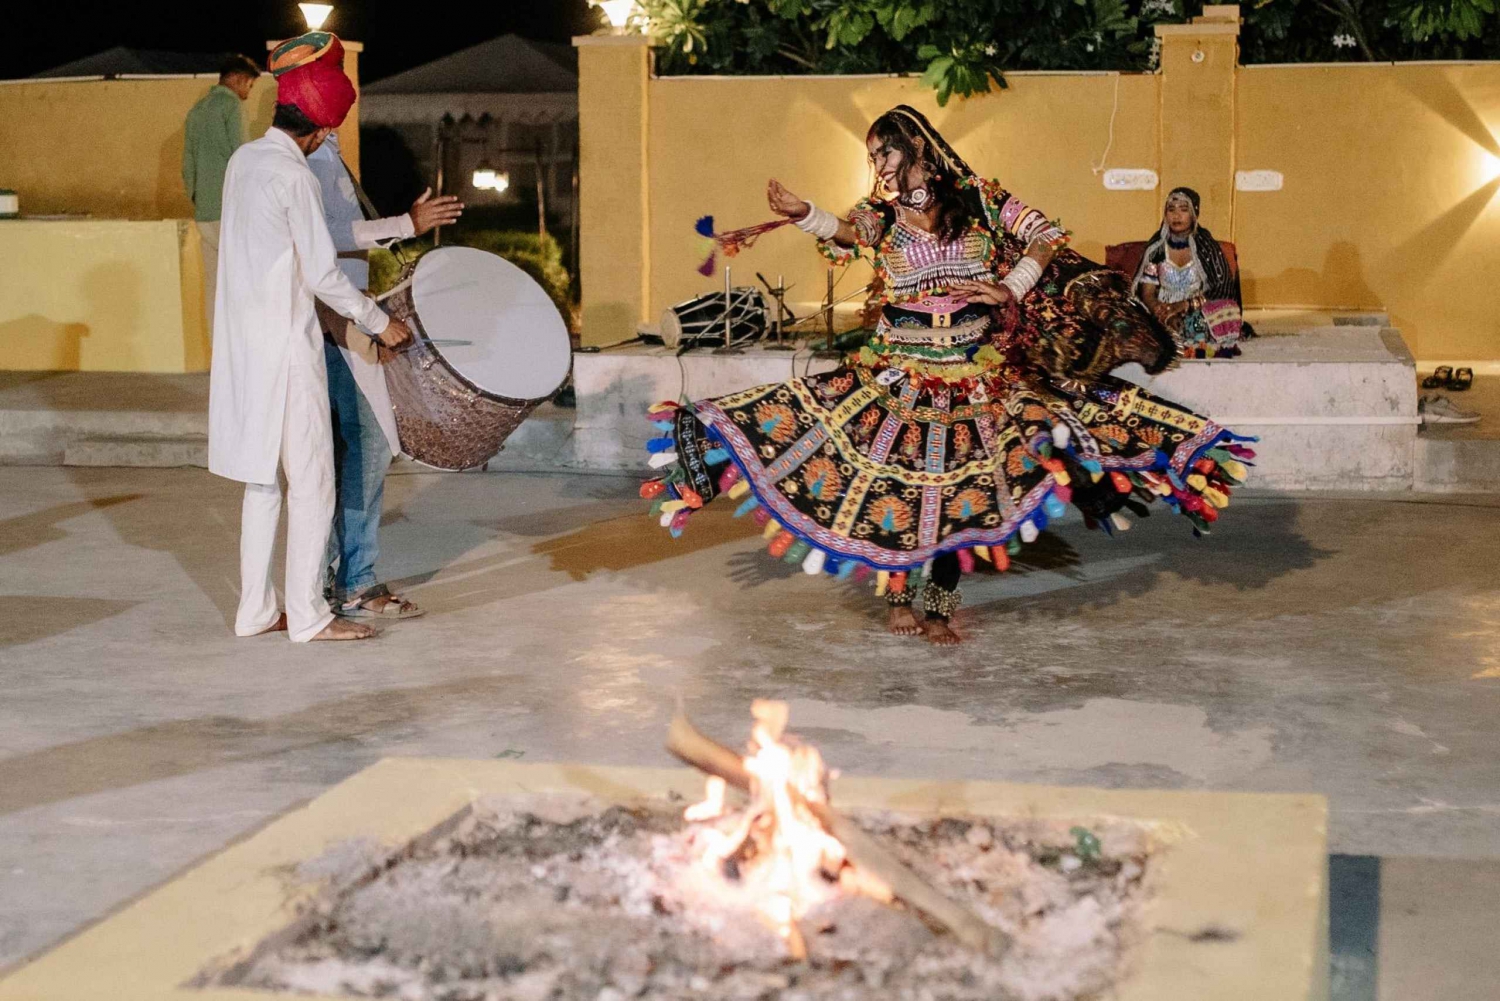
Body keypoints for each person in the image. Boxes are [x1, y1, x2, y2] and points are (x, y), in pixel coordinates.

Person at [643, 106, 1253, 645]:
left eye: (883, 150)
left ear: (916, 149)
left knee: (958, 494)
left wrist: (1007, 286)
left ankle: (938, 605)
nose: (877, 162)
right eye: (871, 153)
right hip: (899, 370)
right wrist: (805, 213)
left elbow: (1045, 235)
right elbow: (852, 235)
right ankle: (897, 597)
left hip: (971, 370)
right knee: (899, 485)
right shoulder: (882, 211)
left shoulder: (981, 201)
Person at [208, 32, 413, 643]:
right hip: (286, 350)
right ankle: (310, 615)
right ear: (321, 132)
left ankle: (255, 611)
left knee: (262, 483)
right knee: (314, 480)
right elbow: (323, 273)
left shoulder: (244, 161)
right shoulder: (294, 178)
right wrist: (381, 323)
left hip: (244, 346)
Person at [306, 133, 463, 619]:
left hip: (342, 318)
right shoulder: (304, 155)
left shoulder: (325, 150)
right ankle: (348, 580)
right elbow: (317, 236)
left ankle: (341, 579)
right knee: (360, 448)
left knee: (350, 451)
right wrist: (404, 224)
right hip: (330, 320)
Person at [182, 53, 261, 332]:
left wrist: (198, 197)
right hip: (232, 210)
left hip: (205, 211)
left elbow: (187, 164)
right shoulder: (232, 107)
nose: (248, 95)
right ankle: (240, 350)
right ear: (239, 79)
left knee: (214, 284)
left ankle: (219, 355)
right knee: (242, 282)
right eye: (249, 86)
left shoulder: (197, 110)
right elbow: (241, 156)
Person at [1131, 187, 1247, 358]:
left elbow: (1221, 290)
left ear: (1194, 214)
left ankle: (1187, 336)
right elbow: (1147, 292)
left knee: (1225, 311)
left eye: (1183, 210)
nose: (1176, 216)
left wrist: (1184, 306)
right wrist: (1159, 310)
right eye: (1171, 210)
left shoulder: (1206, 248)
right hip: (1164, 309)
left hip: (1197, 308)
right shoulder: (1156, 249)